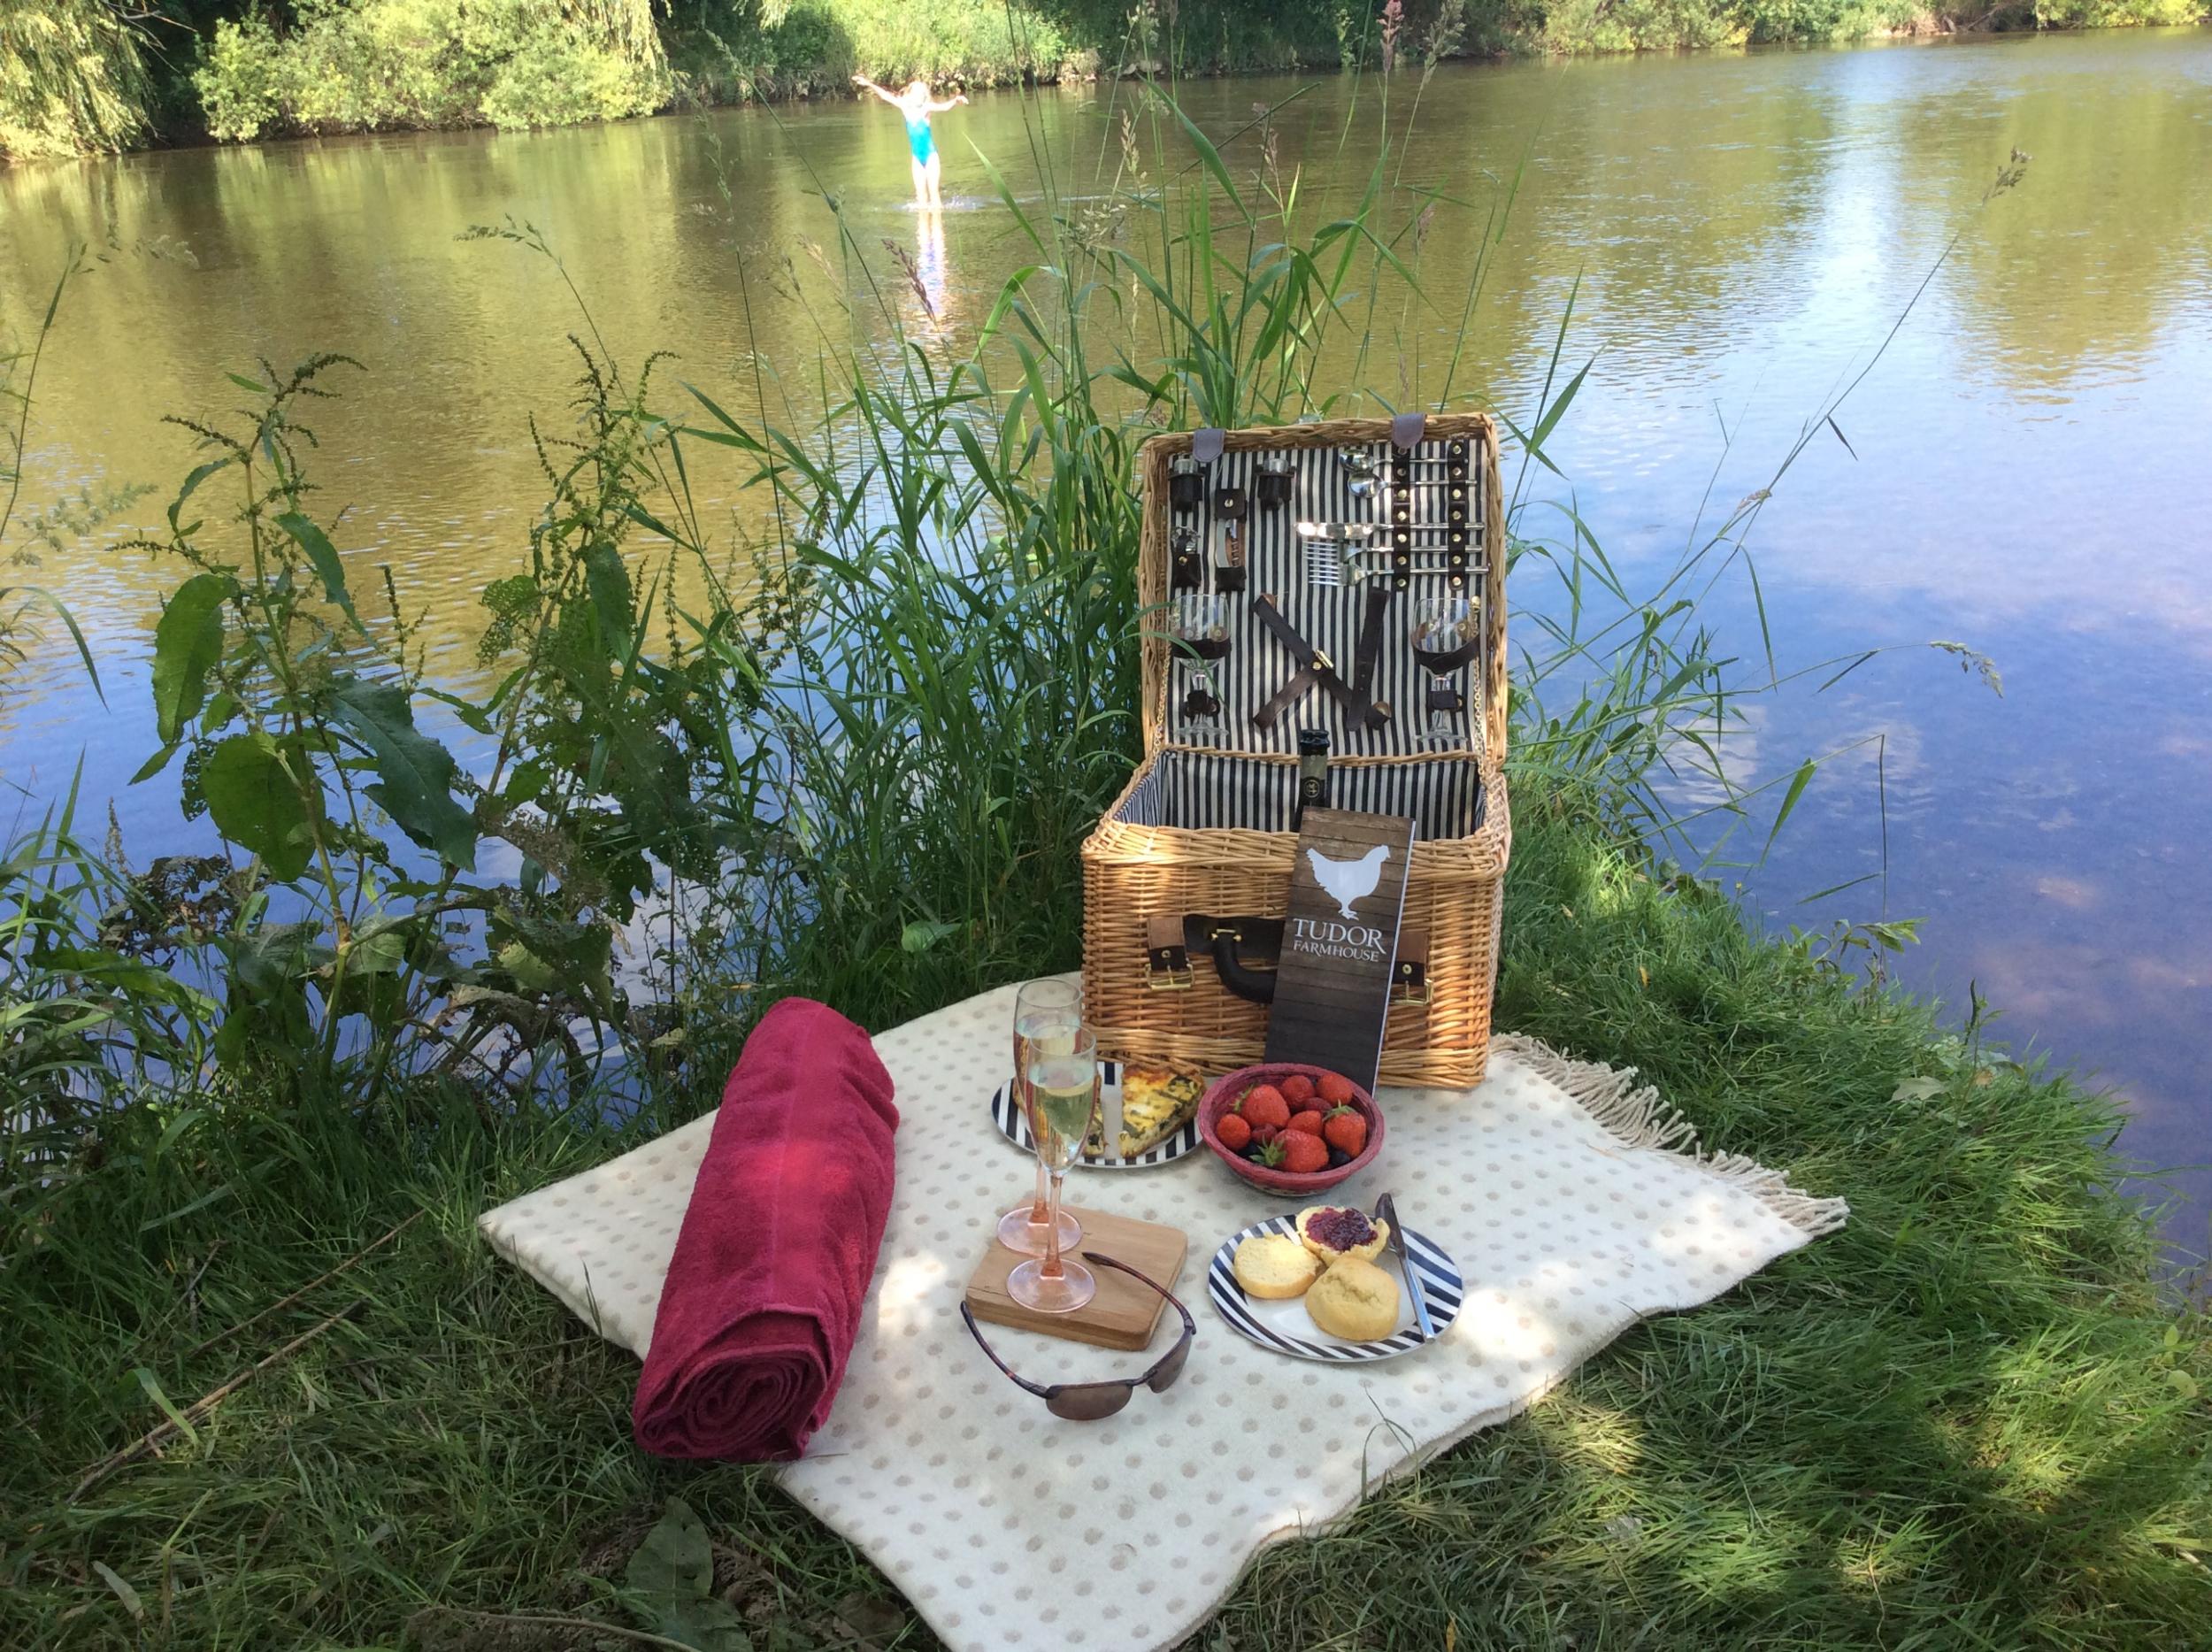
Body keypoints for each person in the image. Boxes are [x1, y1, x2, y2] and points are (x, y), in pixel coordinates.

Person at [852, 75, 968, 211]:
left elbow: (944, 107)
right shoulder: (905, 107)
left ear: (924, 96)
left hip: (931, 157)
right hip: (917, 159)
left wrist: (956, 100)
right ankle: (922, 231)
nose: (918, 95)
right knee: (921, 199)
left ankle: (938, 230)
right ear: (910, 94)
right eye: (915, 92)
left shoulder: (926, 107)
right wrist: (868, 83)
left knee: (934, 195)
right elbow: (885, 96)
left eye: (921, 93)